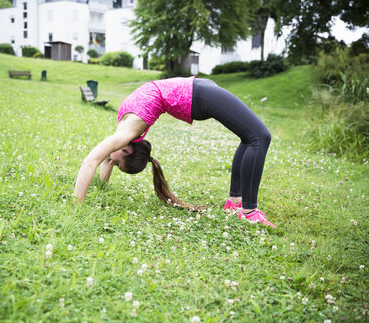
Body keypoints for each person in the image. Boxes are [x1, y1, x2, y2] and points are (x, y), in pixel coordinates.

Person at [73, 77, 275, 227]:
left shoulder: (126, 132)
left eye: (116, 164)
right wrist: (101, 187)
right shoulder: (124, 132)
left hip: (198, 94)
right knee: (255, 137)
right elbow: (107, 159)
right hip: (196, 93)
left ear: (125, 149)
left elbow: (91, 161)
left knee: (257, 137)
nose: (111, 162)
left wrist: (77, 207)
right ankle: (239, 205)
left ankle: (245, 209)